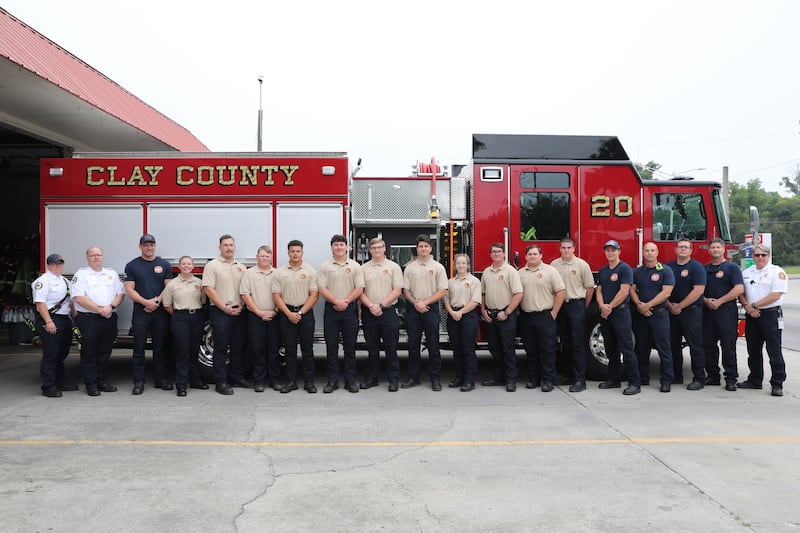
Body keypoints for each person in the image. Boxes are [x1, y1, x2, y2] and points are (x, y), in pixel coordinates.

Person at [71, 246, 125, 396]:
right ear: (87, 258)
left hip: (108, 318)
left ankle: (102, 382)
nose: (96, 258)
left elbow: (120, 293)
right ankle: (91, 384)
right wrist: (99, 309)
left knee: (105, 352)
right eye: (92, 255)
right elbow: (79, 298)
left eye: (98, 255)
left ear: (102, 257)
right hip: (89, 319)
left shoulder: (111, 273)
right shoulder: (81, 275)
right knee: (89, 352)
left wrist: (111, 307)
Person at [124, 233, 173, 395]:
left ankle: (161, 380)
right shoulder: (132, 265)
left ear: (155, 246)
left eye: (151, 245)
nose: (149, 248)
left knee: (160, 347)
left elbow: (169, 287)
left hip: (159, 313)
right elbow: (129, 289)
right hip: (141, 312)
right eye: (145, 245)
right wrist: (146, 303)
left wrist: (156, 302)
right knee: (139, 348)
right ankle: (138, 382)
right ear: (140, 247)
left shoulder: (164, 265)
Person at [738, 244, 788, 397]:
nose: (760, 258)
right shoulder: (747, 273)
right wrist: (747, 307)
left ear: (769, 256)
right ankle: (755, 379)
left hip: (770, 315)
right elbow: (740, 291)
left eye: (763, 255)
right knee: (753, 350)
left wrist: (754, 306)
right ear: (752, 256)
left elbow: (776, 295)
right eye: (757, 255)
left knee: (774, 350)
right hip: (751, 315)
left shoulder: (777, 272)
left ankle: (777, 383)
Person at [203, 234, 249, 395]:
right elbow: (208, 289)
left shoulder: (241, 267)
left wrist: (242, 306)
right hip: (221, 311)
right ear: (220, 247)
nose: (229, 248)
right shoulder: (212, 266)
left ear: (234, 247)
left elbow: (246, 290)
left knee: (238, 347)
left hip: (239, 312)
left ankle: (237, 377)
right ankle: (221, 381)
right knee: (221, 348)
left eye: (231, 245)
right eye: (225, 245)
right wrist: (224, 308)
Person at [317, 235, 364, 394]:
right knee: (331, 348)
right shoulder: (324, 266)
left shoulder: (355, 266)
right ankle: (332, 381)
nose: (339, 247)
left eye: (341, 245)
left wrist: (346, 301)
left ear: (347, 247)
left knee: (350, 348)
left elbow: (359, 288)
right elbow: (322, 288)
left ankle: (350, 382)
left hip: (350, 310)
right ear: (331, 247)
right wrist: (336, 301)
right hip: (331, 310)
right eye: (336, 245)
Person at [402, 234, 448, 391]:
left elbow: (443, 290)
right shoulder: (409, 267)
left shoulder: (438, 267)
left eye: (426, 246)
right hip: (414, 310)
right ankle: (413, 378)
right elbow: (405, 291)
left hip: (431, 309)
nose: (423, 249)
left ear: (430, 248)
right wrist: (416, 303)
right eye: (420, 246)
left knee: (433, 346)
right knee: (413, 346)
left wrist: (425, 303)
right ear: (417, 248)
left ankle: (435, 379)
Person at [273, 239, 319, 394]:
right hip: (287, 314)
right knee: (290, 350)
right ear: (288, 253)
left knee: (307, 349)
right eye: (292, 251)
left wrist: (299, 313)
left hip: (304, 314)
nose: (295, 254)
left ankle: (309, 383)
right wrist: (288, 313)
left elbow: (314, 295)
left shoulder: (311, 271)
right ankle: (291, 381)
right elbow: (276, 296)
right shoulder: (280, 272)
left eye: (298, 251)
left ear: (302, 253)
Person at [358, 237, 403, 392]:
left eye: (379, 247)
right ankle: (372, 379)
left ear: (385, 249)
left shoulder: (394, 267)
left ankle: (393, 380)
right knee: (372, 348)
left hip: (388, 312)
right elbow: (360, 291)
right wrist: (372, 306)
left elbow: (398, 290)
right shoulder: (363, 268)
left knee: (391, 348)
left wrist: (381, 305)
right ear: (370, 250)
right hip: (369, 312)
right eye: (373, 248)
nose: (376, 250)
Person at [596, 240, 640, 395]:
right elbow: (599, 290)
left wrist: (609, 307)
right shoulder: (603, 270)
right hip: (606, 313)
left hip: (620, 312)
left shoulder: (625, 269)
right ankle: (614, 379)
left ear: (619, 251)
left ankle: (634, 383)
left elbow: (624, 291)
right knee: (610, 348)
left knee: (626, 348)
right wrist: (602, 305)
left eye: (613, 250)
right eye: (607, 250)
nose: (610, 253)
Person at [518, 244, 565, 392]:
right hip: (526, 317)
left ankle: (548, 380)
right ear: (525, 257)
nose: (532, 256)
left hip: (545, 315)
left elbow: (560, 292)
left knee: (547, 350)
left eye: (535, 254)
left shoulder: (551, 271)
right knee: (531, 351)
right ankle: (534, 379)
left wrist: (554, 313)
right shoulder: (520, 273)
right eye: (530, 254)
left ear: (541, 256)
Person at [551, 237, 595, 392]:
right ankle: (568, 375)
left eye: (569, 248)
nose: (566, 250)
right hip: (561, 306)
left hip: (576, 305)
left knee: (577, 344)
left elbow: (590, 288)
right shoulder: (554, 265)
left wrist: (584, 307)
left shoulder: (582, 265)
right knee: (565, 342)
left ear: (574, 248)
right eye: (563, 248)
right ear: (559, 248)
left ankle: (579, 380)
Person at [631, 242, 675, 392]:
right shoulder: (638, 271)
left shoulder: (665, 271)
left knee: (664, 348)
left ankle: (666, 380)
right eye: (647, 251)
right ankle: (643, 378)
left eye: (652, 250)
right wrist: (639, 304)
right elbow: (632, 289)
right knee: (641, 348)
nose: (649, 253)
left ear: (657, 253)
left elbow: (666, 292)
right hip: (642, 314)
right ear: (643, 253)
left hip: (659, 314)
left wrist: (647, 305)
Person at [32, 253, 77, 397]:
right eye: (55, 264)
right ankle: (48, 386)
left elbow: (70, 301)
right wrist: (48, 321)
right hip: (50, 318)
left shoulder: (64, 280)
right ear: (49, 265)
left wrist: (73, 315)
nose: (58, 266)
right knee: (51, 354)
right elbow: (40, 303)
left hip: (64, 319)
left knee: (61, 353)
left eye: (60, 264)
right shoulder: (43, 281)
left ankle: (60, 382)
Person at [162, 255, 208, 396]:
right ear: (179, 267)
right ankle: (181, 384)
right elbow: (167, 305)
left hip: (196, 317)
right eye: (184, 264)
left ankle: (195, 380)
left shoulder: (199, 283)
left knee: (194, 351)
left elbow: (203, 300)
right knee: (182, 352)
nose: (186, 266)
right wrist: (179, 315)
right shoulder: (172, 284)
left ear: (193, 267)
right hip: (180, 318)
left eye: (189, 264)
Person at [480, 242, 523, 392]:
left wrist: (507, 312)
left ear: (504, 254)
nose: (497, 254)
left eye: (499, 251)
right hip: (491, 315)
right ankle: (498, 377)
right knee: (494, 347)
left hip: (506, 315)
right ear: (490, 255)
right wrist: (483, 310)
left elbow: (518, 294)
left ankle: (511, 380)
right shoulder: (486, 272)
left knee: (508, 348)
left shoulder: (511, 271)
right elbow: (483, 294)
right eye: (494, 252)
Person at [703, 237, 744, 391]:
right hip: (707, 311)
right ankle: (713, 376)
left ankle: (731, 378)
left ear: (723, 249)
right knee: (708, 345)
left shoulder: (731, 268)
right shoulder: (704, 269)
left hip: (726, 310)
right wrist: (706, 301)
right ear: (708, 250)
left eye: (718, 247)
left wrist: (719, 301)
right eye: (712, 247)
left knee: (728, 346)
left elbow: (739, 289)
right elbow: (697, 288)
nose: (715, 250)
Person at [665, 238, 707, 390]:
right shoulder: (668, 267)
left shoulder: (697, 267)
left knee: (695, 344)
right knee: (673, 344)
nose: (682, 249)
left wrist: (680, 306)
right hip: (671, 309)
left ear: (691, 250)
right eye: (680, 247)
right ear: (675, 250)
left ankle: (699, 378)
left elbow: (698, 290)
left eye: (686, 247)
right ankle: (676, 376)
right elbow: (663, 289)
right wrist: (670, 305)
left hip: (691, 311)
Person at [240, 245, 281, 393]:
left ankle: (274, 380)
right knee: (257, 350)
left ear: (271, 258)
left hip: (274, 316)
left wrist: (275, 311)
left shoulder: (277, 273)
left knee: (273, 350)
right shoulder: (249, 273)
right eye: (262, 256)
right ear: (257, 257)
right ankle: (259, 381)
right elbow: (245, 294)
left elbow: (282, 295)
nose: (265, 258)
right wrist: (259, 312)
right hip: (255, 317)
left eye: (267, 256)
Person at [443, 253, 481, 392]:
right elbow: (446, 300)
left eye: (463, 263)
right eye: (458, 263)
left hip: (468, 316)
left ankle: (469, 380)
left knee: (468, 350)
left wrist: (460, 312)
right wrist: (452, 312)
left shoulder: (474, 281)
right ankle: (458, 378)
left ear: (468, 265)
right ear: (454, 265)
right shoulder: (450, 282)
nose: (461, 265)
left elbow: (475, 301)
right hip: (453, 316)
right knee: (456, 349)